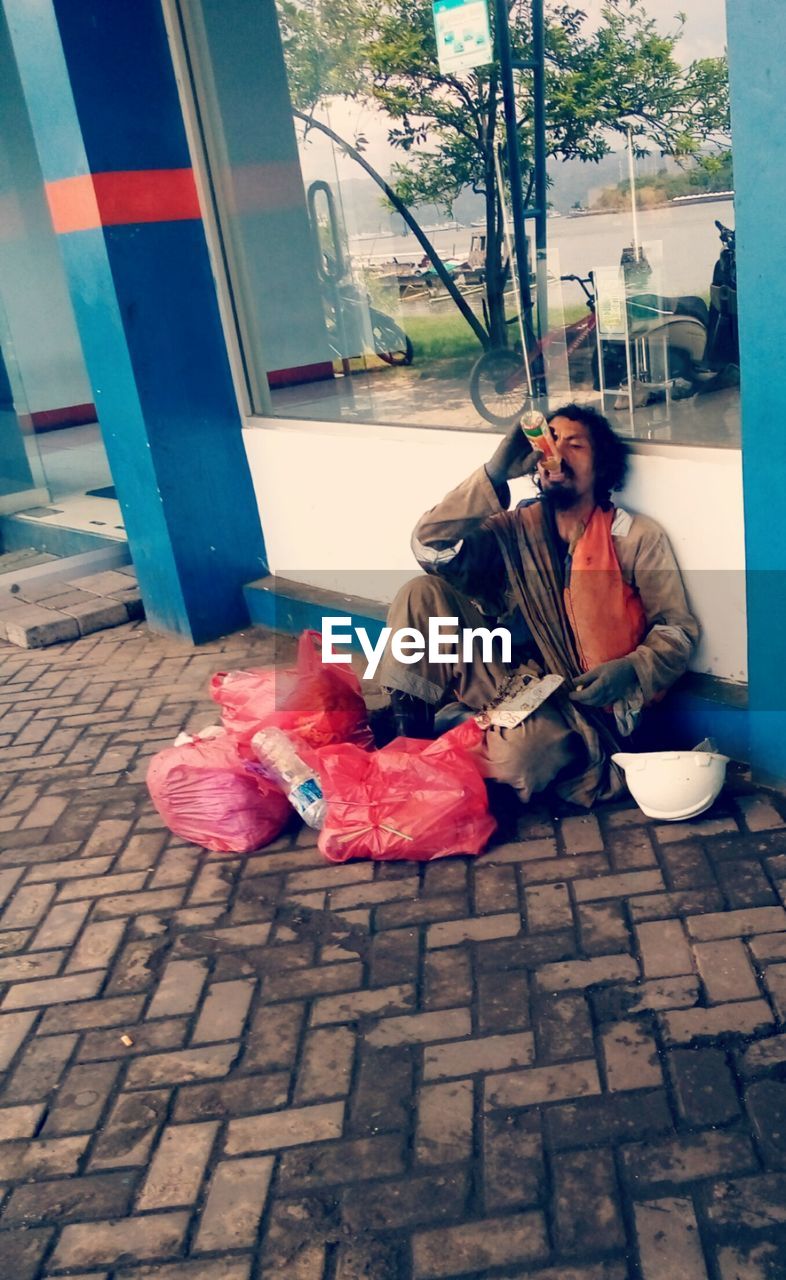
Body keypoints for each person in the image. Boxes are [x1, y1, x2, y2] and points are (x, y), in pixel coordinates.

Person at [377, 403, 699, 809]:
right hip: (506, 681)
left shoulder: (635, 537)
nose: (557, 451)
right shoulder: (513, 528)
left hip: (577, 711)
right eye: (550, 439)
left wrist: (631, 668)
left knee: (525, 757)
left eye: (575, 444)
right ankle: (409, 750)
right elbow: (430, 547)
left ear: (602, 468)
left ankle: (456, 739)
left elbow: (677, 630)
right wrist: (494, 473)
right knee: (421, 592)